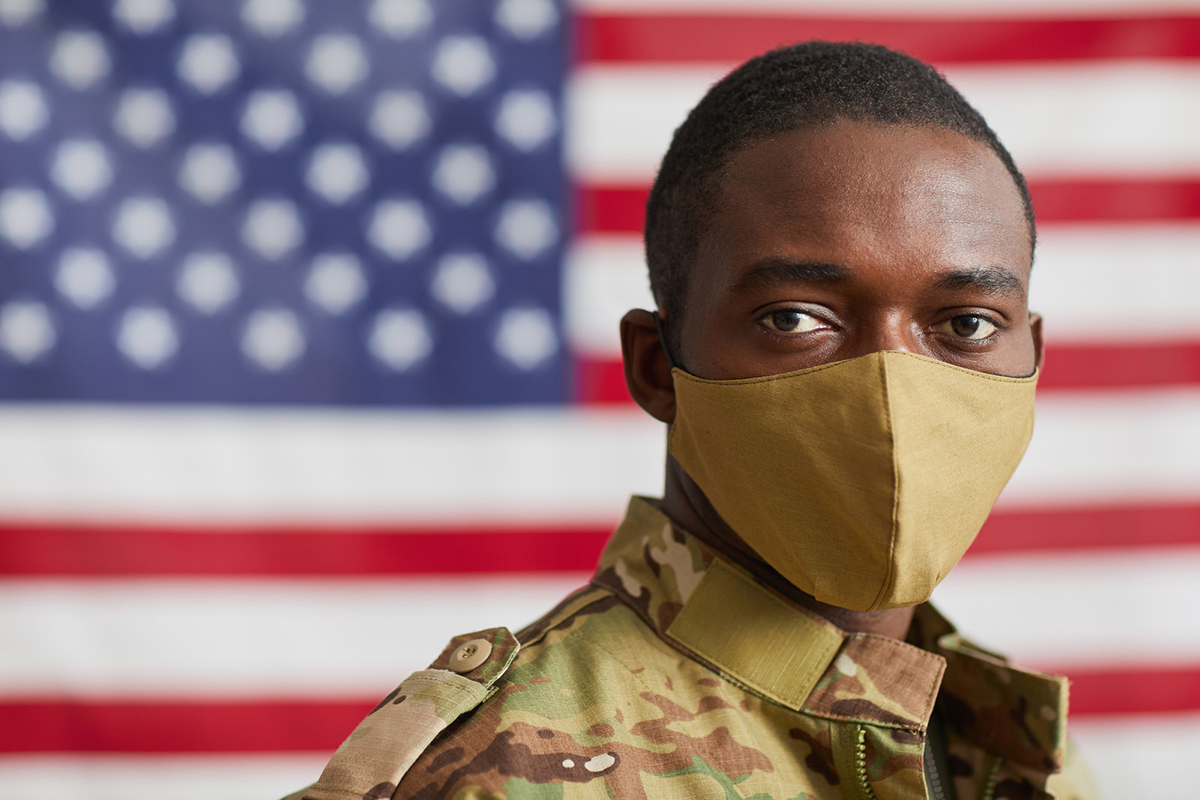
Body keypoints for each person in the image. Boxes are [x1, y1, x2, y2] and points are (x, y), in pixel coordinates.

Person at [288, 42, 1098, 800]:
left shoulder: (1022, 748)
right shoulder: (497, 772)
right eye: (794, 318)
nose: (892, 386)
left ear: (1031, 355)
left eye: (966, 324)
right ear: (656, 365)